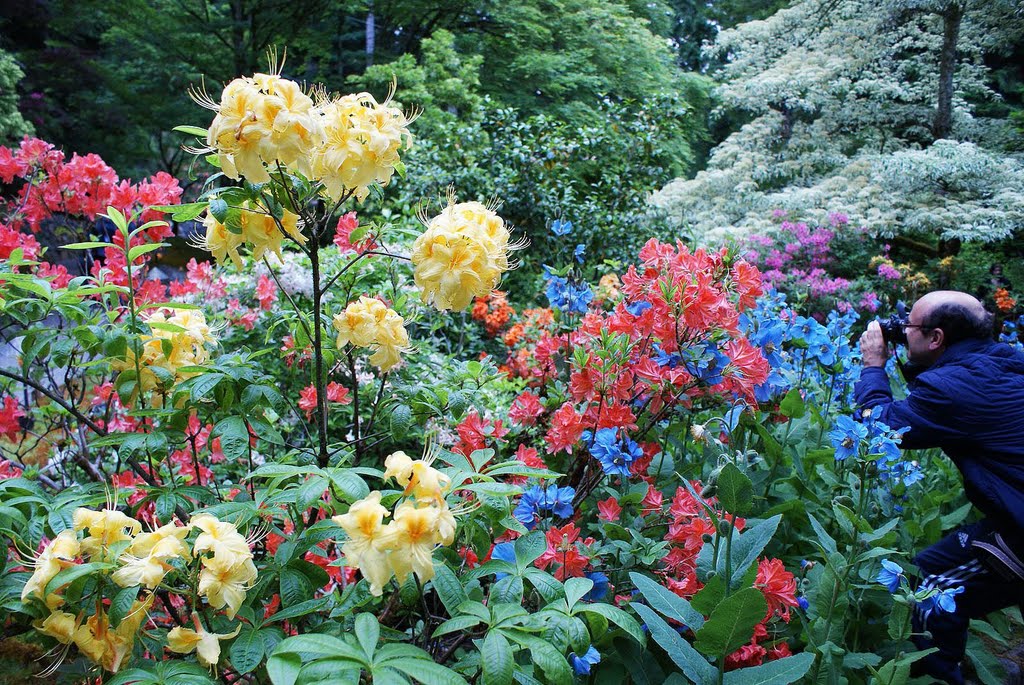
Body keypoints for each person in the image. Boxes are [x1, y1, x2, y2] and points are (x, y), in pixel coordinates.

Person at [856, 290, 1024, 685]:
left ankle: (940, 677)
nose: (900, 331)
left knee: (928, 586)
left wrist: (873, 365)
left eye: (909, 326)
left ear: (936, 339)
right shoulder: (1007, 360)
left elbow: (873, 427)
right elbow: (949, 388)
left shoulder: (954, 389)